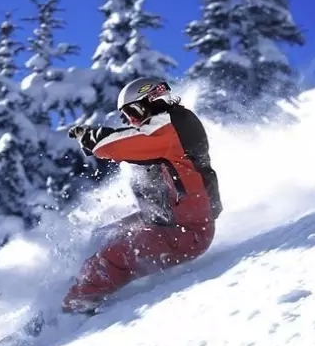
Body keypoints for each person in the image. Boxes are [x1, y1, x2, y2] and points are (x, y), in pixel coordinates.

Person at [63, 77, 223, 314]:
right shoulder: (176, 123)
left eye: (133, 115)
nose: (133, 123)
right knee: (105, 235)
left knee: (116, 250)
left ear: (148, 103)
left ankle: (73, 307)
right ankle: (79, 283)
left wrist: (90, 137)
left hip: (188, 234)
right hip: (171, 221)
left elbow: (115, 145)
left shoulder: (169, 129)